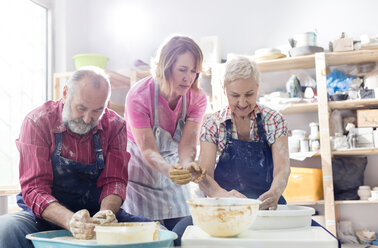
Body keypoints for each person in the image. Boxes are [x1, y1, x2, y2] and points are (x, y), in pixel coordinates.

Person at [173, 56, 340, 248]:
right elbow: (205, 177)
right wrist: (225, 196)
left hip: (267, 206)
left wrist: (275, 191)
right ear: (225, 90)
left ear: (258, 88)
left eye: (249, 94)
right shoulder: (213, 124)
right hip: (225, 208)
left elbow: (282, 170)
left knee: (328, 242)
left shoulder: (274, 120)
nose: (242, 102)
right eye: (235, 95)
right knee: (178, 236)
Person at [0, 66, 149, 247]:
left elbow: (115, 181)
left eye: (97, 111)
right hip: (44, 215)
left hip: (96, 216)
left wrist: (106, 213)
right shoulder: (38, 121)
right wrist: (70, 220)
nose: (87, 119)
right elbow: (34, 188)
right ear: (65, 93)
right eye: (81, 108)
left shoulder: (116, 125)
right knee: (6, 229)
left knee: (157, 233)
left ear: (106, 104)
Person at [122, 35, 207, 231]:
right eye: (182, 70)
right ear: (165, 67)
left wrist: (187, 165)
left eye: (194, 72)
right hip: (140, 180)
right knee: (151, 239)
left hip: (175, 181)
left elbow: (187, 144)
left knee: (183, 235)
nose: (188, 78)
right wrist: (168, 170)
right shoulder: (139, 96)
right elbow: (149, 150)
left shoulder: (197, 98)